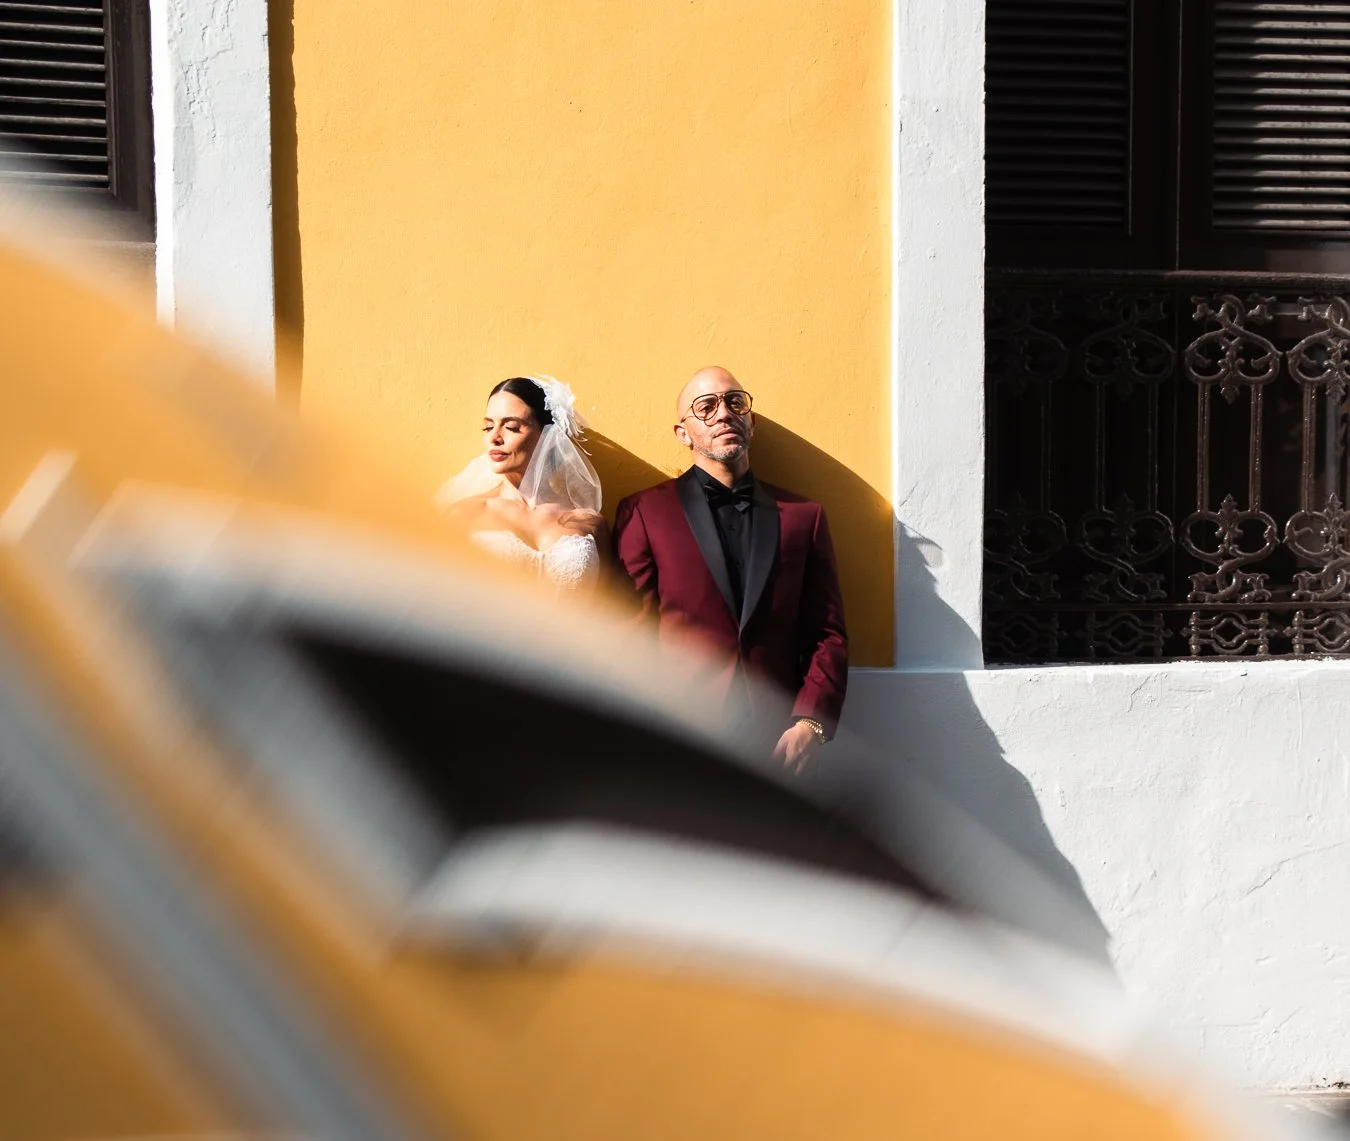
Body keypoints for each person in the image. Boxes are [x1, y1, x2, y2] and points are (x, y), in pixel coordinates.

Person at [611, 365, 848, 770]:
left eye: (735, 402)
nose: (724, 414)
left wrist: (811, 721)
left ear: (750, 422)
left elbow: (826, 633)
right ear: (682, 433)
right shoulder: (644, 512)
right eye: (706, 406)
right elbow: (630, 631)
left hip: (780, 743)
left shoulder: (803, 516)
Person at [437, 375, 605, 594]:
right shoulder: (467, 513)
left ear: (549, 436)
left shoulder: (588, 522)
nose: (494, 438)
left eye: (512, 427)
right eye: (488, 427)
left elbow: (608, 606)